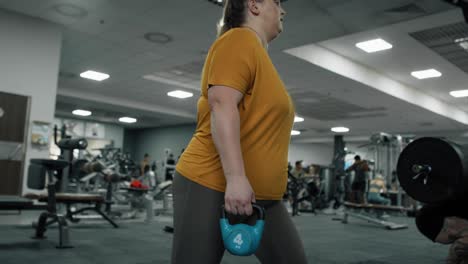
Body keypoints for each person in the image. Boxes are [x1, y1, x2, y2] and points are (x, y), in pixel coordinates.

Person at [172, 0, 307, 263]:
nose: (283, 10)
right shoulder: (238, 39)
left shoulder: (259, 55)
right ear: (254, 5)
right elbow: (222, 104)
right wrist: (235, 178)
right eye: (276, 2)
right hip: (210, 184)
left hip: (264, 197)